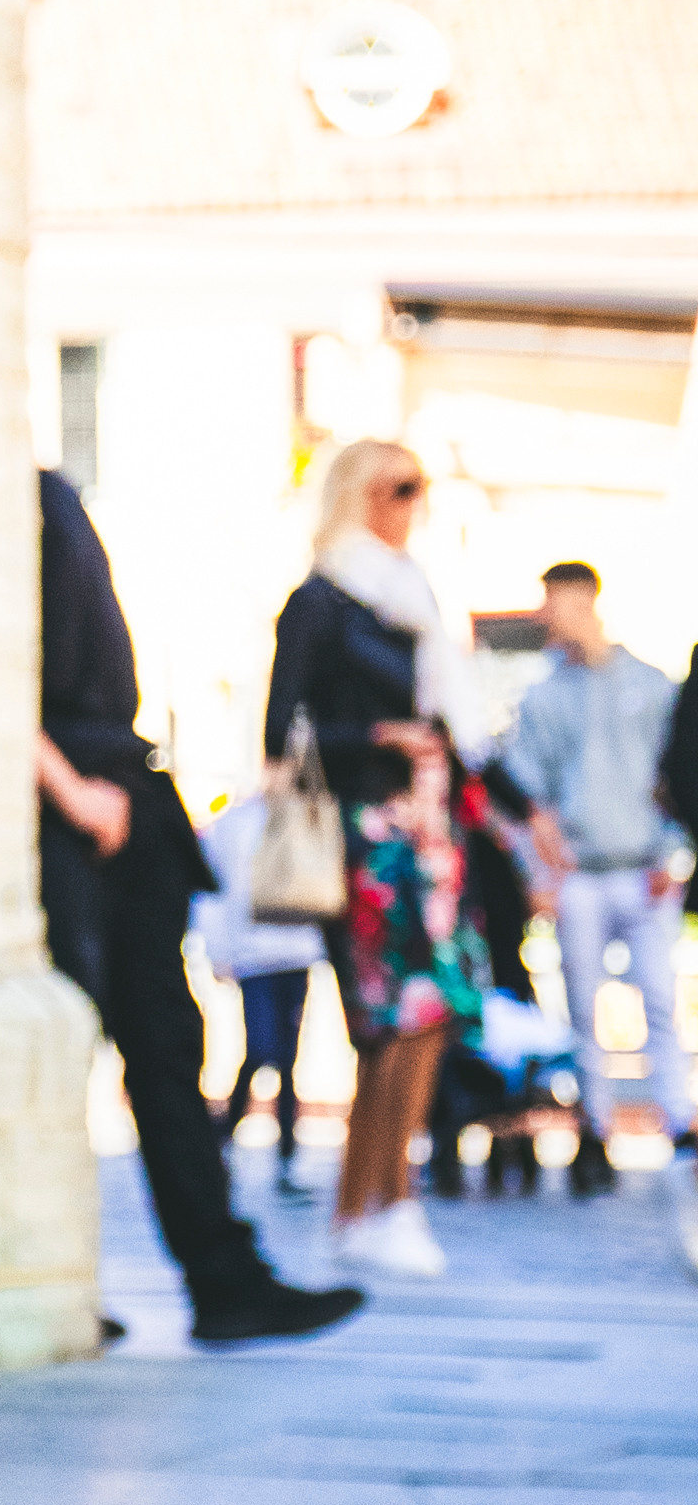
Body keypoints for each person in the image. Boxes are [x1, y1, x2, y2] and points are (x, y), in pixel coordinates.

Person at [37, 472, 362, 1343]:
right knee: (64, 1050)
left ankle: (224, 1279)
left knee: (168, 1051)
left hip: (122, 796)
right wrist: (66, 788)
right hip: (78, 804)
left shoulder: (38, 496)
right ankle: (57, 1282)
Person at [264, 439, 491, 1277]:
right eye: (401, 488)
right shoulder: (321, 602)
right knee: (388, 1022)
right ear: (360, 494)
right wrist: (377, 734)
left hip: (430, 831)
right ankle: (376, 1202)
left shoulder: (416, 600)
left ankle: (376, 1203)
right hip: (365, 833)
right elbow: (282, 732)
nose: (414, 505)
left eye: (421, 489)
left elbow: (459, 723)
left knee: (427, 1017)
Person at [491, 562, 692, 1193]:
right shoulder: (544, 697)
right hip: (577, 871)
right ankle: (598, 1127)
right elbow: (527, 796)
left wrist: (675, 851)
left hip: (641, 867)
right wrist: (538, 872)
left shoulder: (649, 685)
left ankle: (678, 1121)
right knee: (585, 1008)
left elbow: (676, 775)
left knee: (659, 998)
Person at [194, 795, 320, 1193]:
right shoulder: (235, 821)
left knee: (288, 1060)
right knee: (260, 1050)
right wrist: (217, 951)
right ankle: (225, 1142)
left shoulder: (309, 813)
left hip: (297, 951)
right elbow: (214, 887)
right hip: (253, 956)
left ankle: (287, 1160)